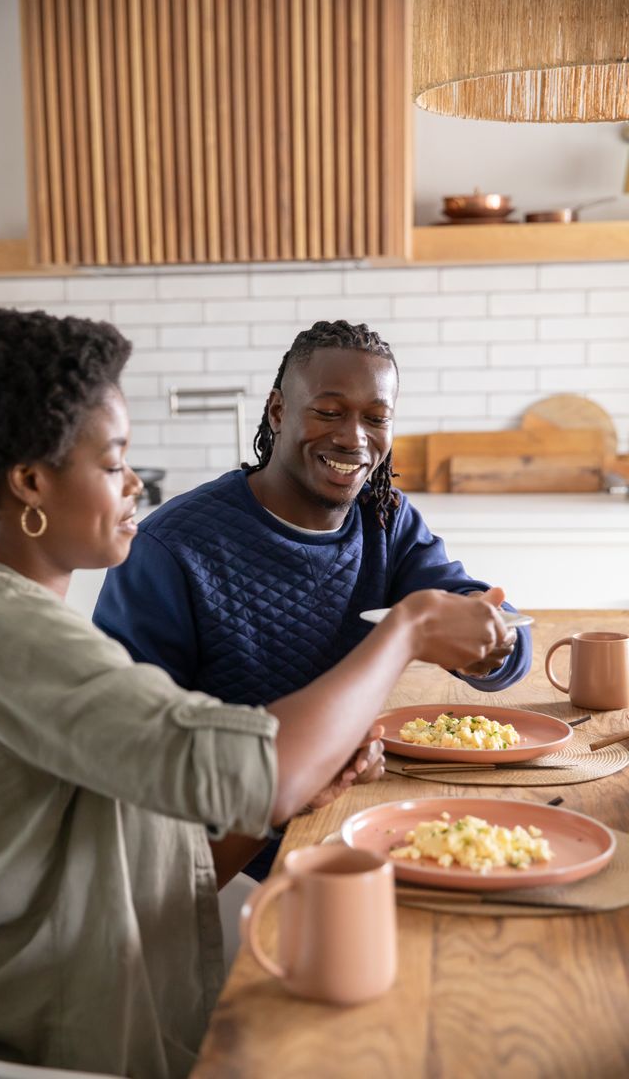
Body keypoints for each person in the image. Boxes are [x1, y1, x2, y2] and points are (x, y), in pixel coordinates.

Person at [0, 309, 510, 1079]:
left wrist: (289, 800)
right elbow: (242, 766)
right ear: (30, 481)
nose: (134, 485)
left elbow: (163, 854)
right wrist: (407, 629)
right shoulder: (0, 636)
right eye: (113, 461)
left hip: (138, 992)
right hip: (67, 1038)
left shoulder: (27, 625)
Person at [94, 319, 532, 880]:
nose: (354, 437)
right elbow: (136, 763)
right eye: (329, 411)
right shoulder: (168, 550)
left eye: (376, 418)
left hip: (357, 819)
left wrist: (490, 644)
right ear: (277, 411)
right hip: (231, 862)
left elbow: (494, 627)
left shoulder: (386, 521)